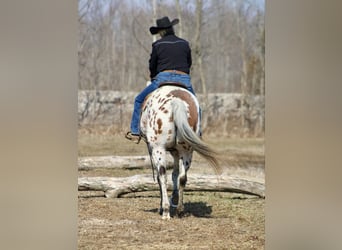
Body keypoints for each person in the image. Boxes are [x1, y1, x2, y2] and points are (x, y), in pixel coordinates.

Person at [125, 16, 196, 142]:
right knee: (196, 104)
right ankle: (197, 133)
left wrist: (153, 78)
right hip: (184, 78)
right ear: (171, 29)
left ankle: (135, 132)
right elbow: (189, 63)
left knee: (138, 100)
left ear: (162, 32)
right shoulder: (184, 43)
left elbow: (152, 65)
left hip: (163, 78)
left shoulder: (157, 45)